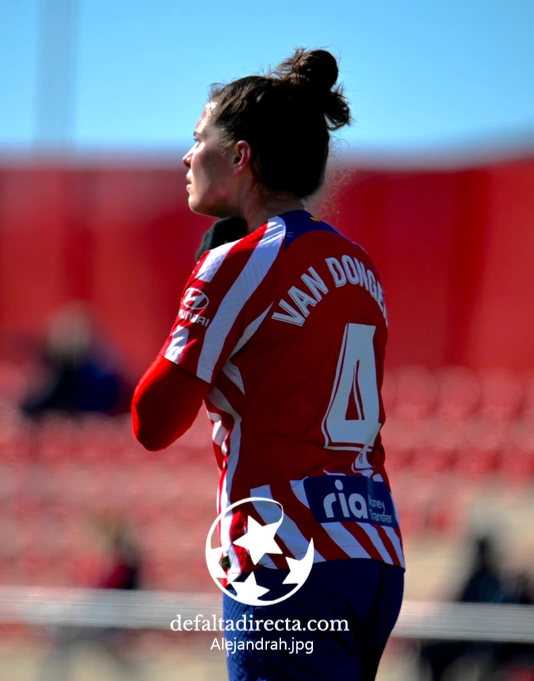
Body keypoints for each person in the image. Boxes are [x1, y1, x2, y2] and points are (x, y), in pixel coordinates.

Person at [131, 48, 404, 681]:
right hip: (374, 551)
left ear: (241, 156)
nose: (186, 155)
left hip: (286, 553)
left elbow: (152, 421)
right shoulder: (359, 265)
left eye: (199, 138)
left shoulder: (240, 261)